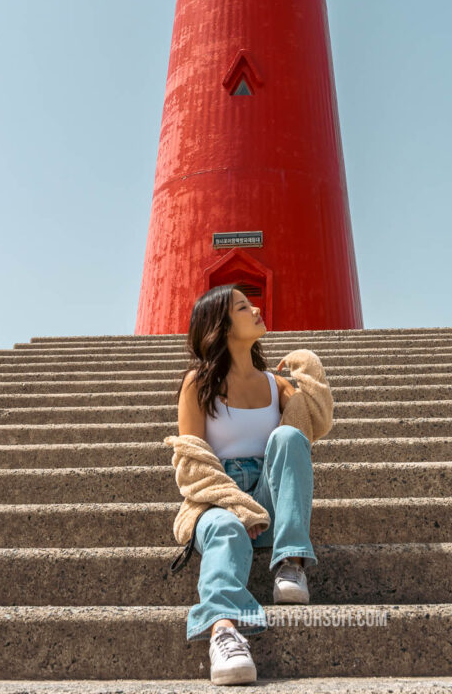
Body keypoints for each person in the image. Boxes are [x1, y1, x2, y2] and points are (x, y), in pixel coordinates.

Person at [175, 284, 319, 685]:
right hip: (217, 499)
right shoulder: (197, 385)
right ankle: (224, 632)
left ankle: (290, 563)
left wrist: (309, 368)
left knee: (288, 438)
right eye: (242, 306)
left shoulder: (277, 384)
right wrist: (236, 505)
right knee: (221, 527)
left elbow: (315, 426)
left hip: (271, 501)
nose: (256, 308)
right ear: (220, 327)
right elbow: (193, 462)